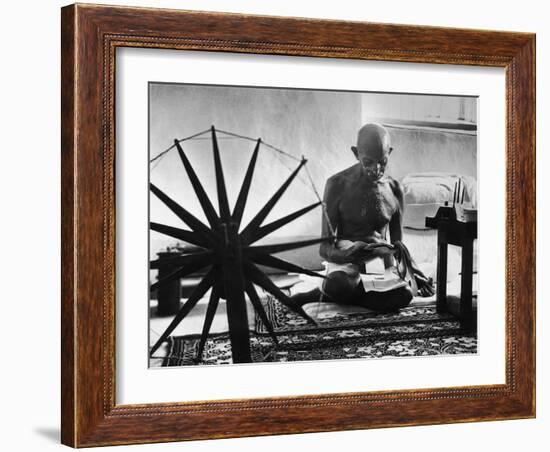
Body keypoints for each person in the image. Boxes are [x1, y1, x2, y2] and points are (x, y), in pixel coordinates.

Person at [292, 123, 434, 311]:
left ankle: (329, 295)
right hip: (347, 265)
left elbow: (398, 245)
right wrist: (347, 255)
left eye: (382, 162)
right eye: (368, 162)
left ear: (389, 153)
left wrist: (413, 270)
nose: (376, 169)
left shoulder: (395, 189)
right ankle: (343, 293)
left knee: (406, 294)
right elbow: (324, 248)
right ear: (355, 153)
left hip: (380, 267)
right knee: (338, 283)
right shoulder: (337, 185)